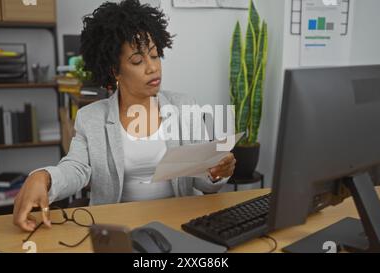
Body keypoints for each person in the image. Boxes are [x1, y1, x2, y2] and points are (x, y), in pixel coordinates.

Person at [13, 0, 236, 232]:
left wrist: (215, 172)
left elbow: (203, 183)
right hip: (118, 229)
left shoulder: (184, 106)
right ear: (115, 70)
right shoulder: (91, 118)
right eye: (138, 60)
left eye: (155, 55)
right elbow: (75, 168)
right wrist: (44, 177)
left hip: (179, 223)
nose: (153, 68)